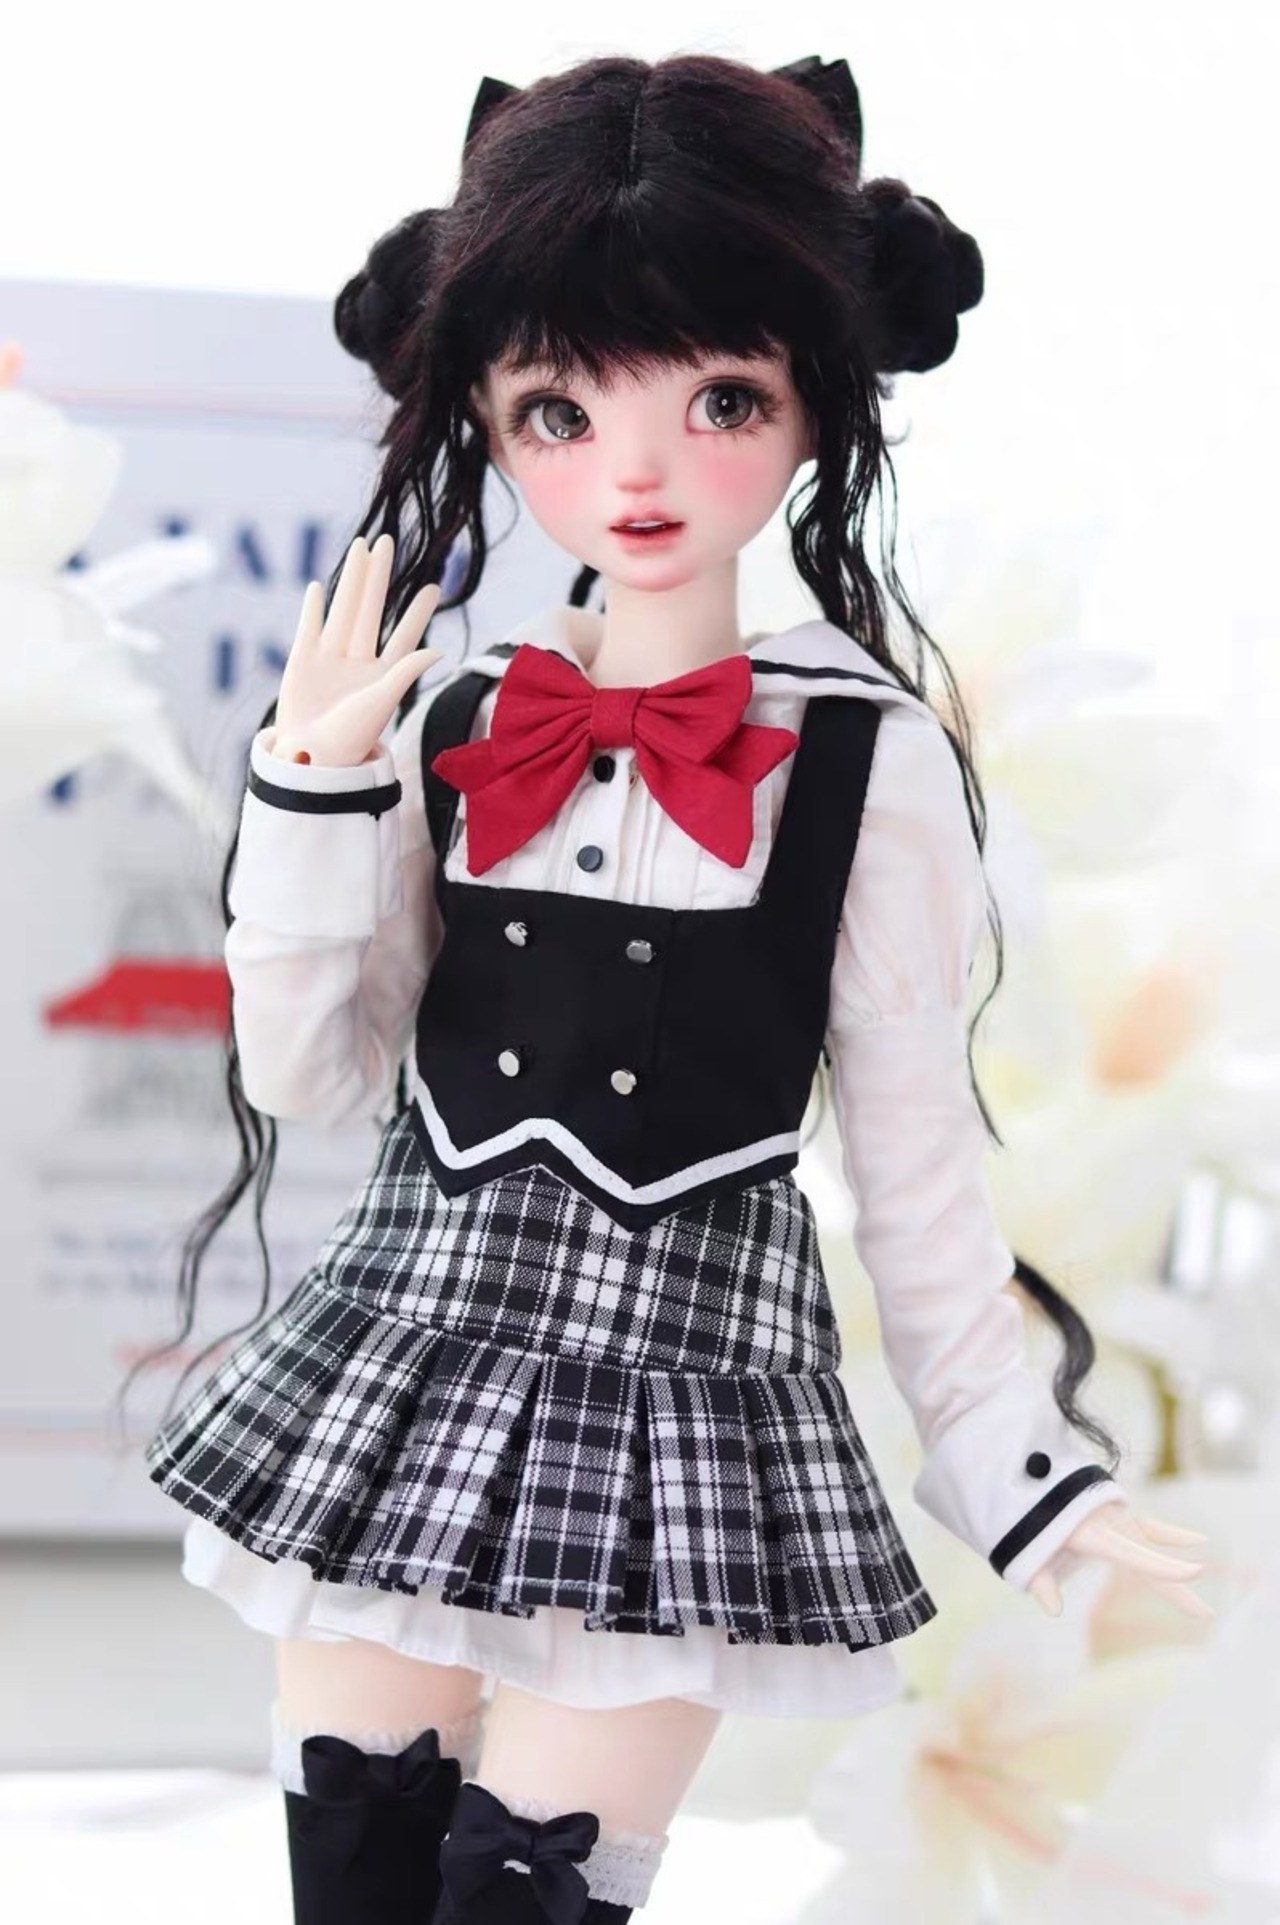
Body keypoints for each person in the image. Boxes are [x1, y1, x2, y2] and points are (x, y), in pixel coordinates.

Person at [139, 51, 1211, 1925]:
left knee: (532, 1887)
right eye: (558, 410)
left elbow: (916, 1168)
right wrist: (309, 785)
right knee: (355, 1867)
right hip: (409, 1346)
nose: (633, 473)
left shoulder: (868, 763)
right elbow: (313, 1076)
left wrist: (1031, 1476)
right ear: (485, 417)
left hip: (686, 1398)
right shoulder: (450, 717)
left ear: (817, 404)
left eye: (722, 397)